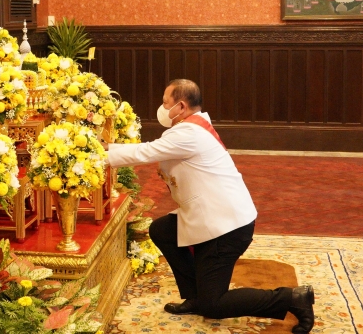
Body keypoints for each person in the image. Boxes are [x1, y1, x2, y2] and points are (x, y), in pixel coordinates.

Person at [104, 79, 315, 333]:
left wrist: (99, 153)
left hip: (226, 228)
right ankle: (195, 297)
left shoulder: (188, 133)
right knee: (162, 230)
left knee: (214, 305)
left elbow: (145, 153)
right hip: (215, 215)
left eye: (164, 102)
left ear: (180, 106)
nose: (161, 108)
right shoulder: (195, 125)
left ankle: (291, 299)